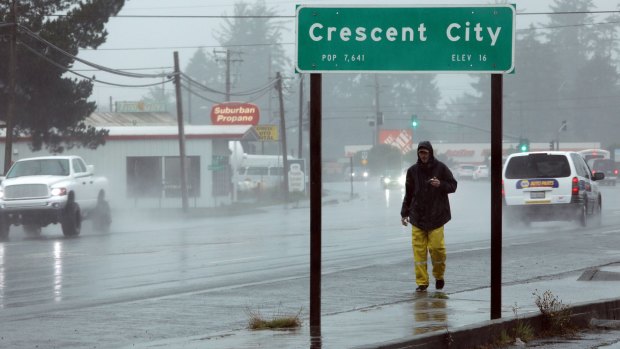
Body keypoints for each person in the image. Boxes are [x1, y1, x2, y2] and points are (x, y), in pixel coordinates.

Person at [401, 141, 457, 292]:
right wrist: (404, 213)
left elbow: (453, 186)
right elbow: (409, 193)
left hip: (437, 216)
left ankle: (439, 276)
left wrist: (441, 184)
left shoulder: (441, 168)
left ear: (430, 153)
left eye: (425, 153)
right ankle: (422, 282)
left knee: (437, 249)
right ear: (418, 154)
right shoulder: (412, 171)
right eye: (421, 153)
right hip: (417, 217)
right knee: (419, 251)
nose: (423, 155)